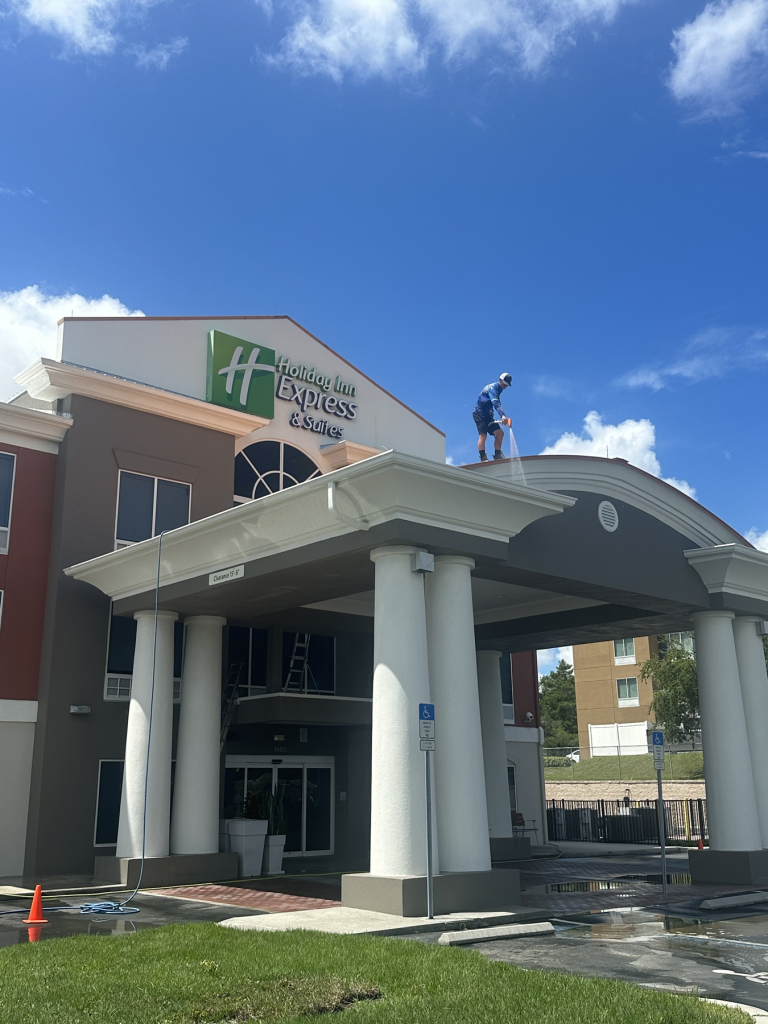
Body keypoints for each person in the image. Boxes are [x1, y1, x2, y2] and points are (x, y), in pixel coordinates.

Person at [473, 373, 512, 461]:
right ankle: (483, 457)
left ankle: (497, 455)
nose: (505, 387)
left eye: (507, 385)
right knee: (483, 435)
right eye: (504, 384)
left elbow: (497, 402)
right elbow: (496, 403)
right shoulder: (492, 388)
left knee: (500, 433)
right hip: (479, 414)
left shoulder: (500, 389)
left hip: (488, 416)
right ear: (500, 380)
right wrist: (503, 415)